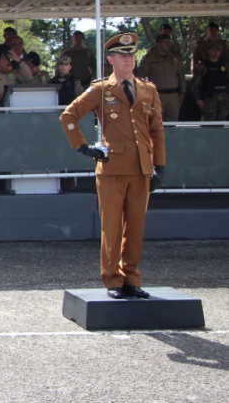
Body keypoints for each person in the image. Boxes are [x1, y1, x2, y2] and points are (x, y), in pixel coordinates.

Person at [60, 33, 165, 300]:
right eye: (122, 55)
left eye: (131, 55)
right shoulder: (101, 89)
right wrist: (84, 147)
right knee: (113, 228)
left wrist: (159, 166)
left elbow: (157, 131)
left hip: (141, 167)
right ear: (111, 60)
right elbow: (69, 115)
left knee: (137, 226)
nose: (128, 59)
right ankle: (113, 280)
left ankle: (131, 277)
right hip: (112, 168)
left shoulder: (148, 90)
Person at [136, 33, 186, 121]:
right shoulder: (149, 59)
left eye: (169, 42)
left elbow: (181, 75)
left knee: (173, 123)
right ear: (158, 44)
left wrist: (182, 91)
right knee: (157, 123)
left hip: (173, 96)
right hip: (157, 95)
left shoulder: (175, 59)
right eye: (165, 42)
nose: (168, 45)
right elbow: (140, 78)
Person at [191, 42, 229, 121]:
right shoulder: (202, 66)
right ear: (209, 51)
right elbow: (195, 84)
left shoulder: (225, 65)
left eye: (218, 50)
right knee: (209, 124)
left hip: (223, 99)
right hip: (209, 99)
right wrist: (197, 99)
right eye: (213, 50)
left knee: (222, 123)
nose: (216, 52)